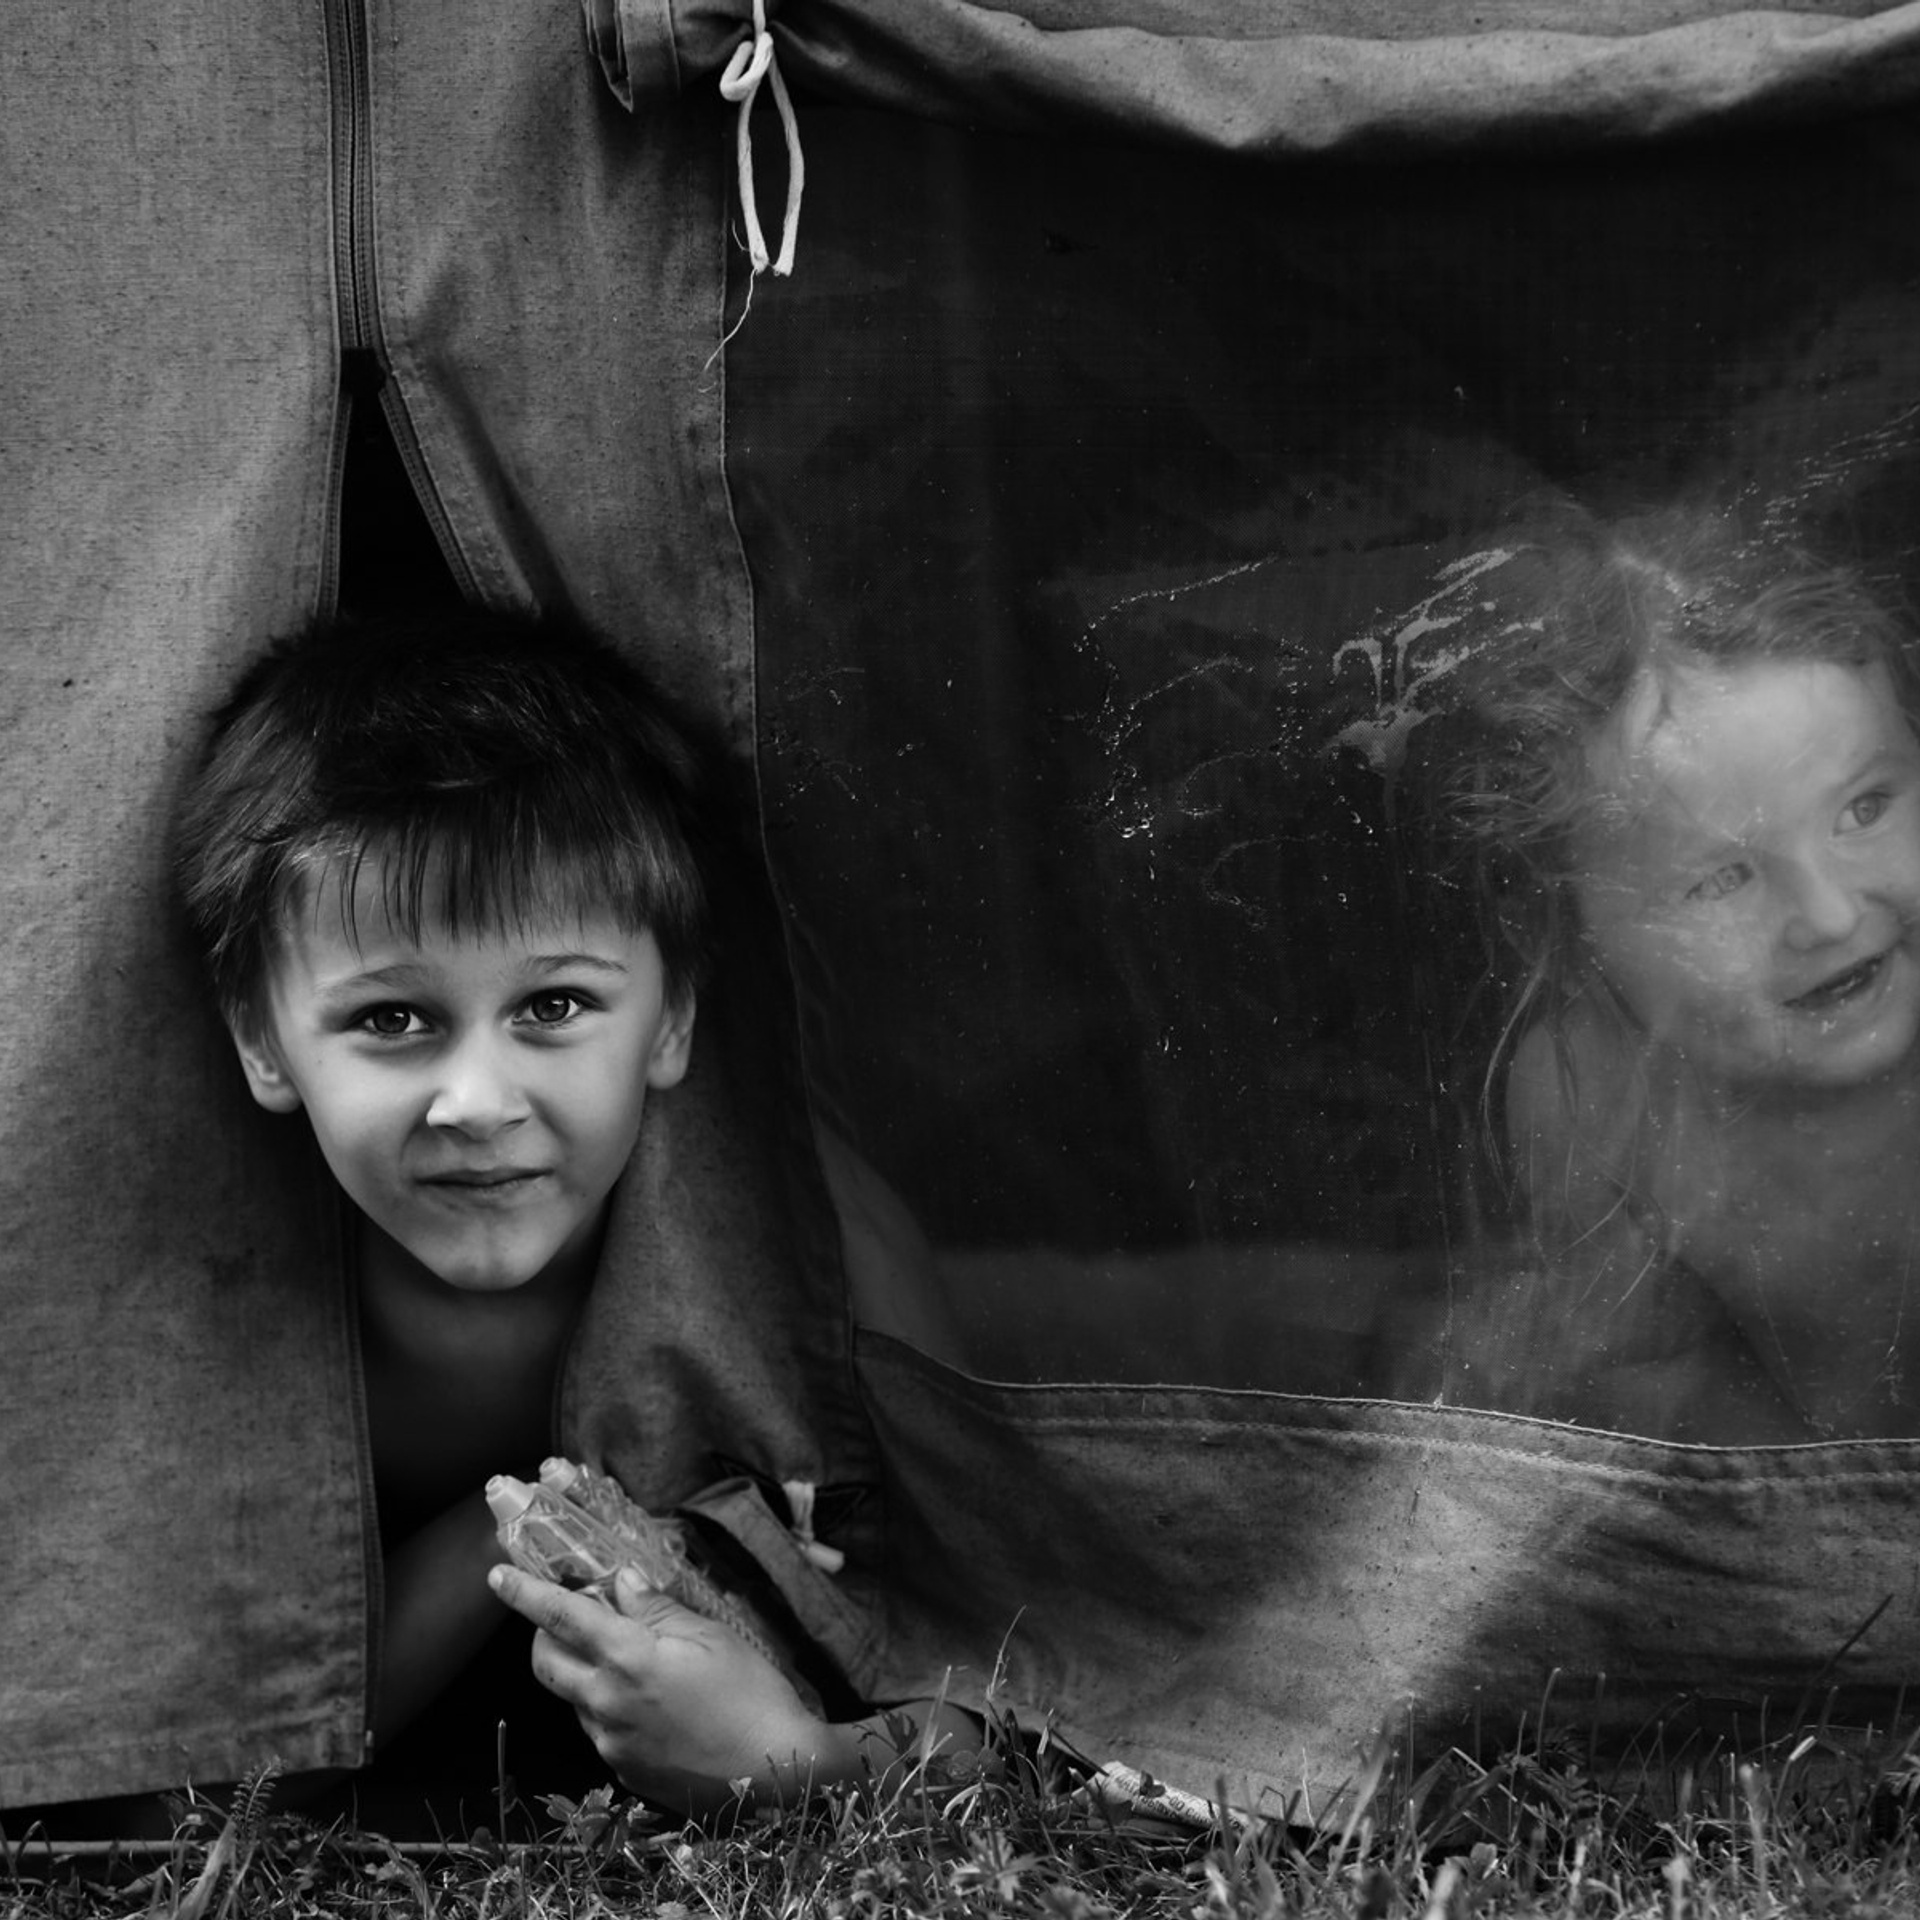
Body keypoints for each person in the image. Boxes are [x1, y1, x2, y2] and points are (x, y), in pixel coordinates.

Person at [174, 605, 974, 1820]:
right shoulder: (195, 1303)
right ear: (262, 1041)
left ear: (674, 1020)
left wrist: (803, 1762)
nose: (479, 1104)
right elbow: (175, 1783)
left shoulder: (827, 1255)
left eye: (552, 1005)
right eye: (392, 1018)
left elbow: (1026, 1664)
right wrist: (517, 1522)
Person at [1428, 508, 1920, 1441]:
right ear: (1570, 931)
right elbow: (1653, 1382)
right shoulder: (1586, 1094)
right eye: (1720, 878)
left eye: (1865, 808)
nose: (1830, 916)